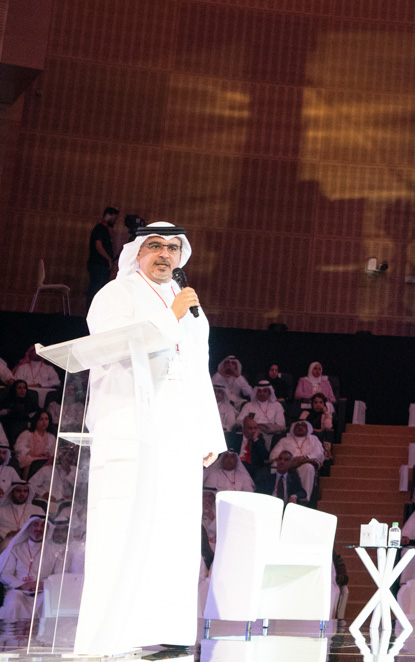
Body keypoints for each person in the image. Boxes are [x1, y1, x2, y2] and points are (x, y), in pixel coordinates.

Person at [79, 221, 226, 650]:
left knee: (175, 532)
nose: (165, 254)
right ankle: (111, 635)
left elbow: (198, 367)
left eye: (173, 248)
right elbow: (108, 345)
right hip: (131, 428)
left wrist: (208, 431)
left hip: (179, 435)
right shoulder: (116, 293)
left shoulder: (190, 306)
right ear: (138, 252)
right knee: (125, 526)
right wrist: (170, 315)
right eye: (156, 246)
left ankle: (166, 631)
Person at [86, 207, 119, 303]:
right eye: (114, 218)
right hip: (98, 264)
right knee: (96, 289)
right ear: (108, 216)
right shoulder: (99, 229)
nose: (115, 221)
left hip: (102, 265)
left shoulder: (106, 230)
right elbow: (99, 246)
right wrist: (109, 259)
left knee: (99, 289)